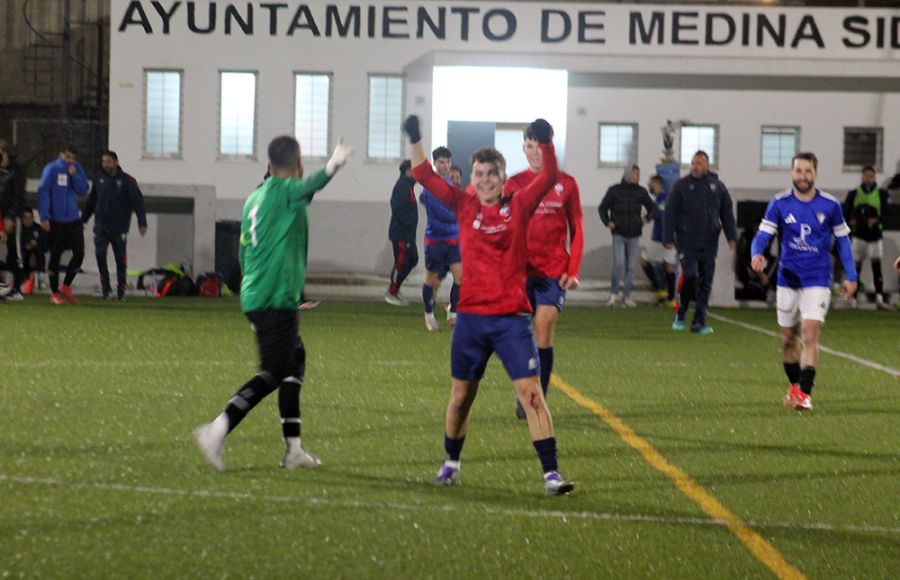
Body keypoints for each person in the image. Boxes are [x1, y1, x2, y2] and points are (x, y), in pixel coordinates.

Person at [404, 114, 574, 496]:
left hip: (512, 322)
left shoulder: (521, 203)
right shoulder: (464, 205)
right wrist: (414, 138)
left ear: (502, 176)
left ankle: (551, 474)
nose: (482, 180)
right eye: (478, 174)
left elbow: (548, 178)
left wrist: (545, 142)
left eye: (490, 174)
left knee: (531, 393)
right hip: (471, 324)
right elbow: (423, 175)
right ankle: (451, 462)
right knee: (461, 398)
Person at [194, 135, 353, 471]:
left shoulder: (255, 197)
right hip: (273, 297)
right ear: (297, 164)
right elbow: (312, 184)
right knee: (275, 370)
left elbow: (242, 252)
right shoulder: (285, 190)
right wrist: (334, 163)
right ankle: (217, 429)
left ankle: (293, 450)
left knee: (294, 360)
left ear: (268, 165)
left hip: (259, 294)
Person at [751, 152, 857, 411]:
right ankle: (795, 387)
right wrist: (757, 253)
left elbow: (843, 241)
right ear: (791, 173)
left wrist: (851, 276)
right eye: (799, 171)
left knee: (810, 335)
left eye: (808, 171)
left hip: (818, 278)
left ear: (815, 174)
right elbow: (762, 235)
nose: (803, 176)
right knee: (788, 339)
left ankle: (805, 395)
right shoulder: (779, 203)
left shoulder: (830, 205)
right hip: (788, 279)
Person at [504, 123, 584, 419]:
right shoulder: (513, 184)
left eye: (539, 146)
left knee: (544, 326)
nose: (534, 152)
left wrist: (573, 269)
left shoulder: (567, 184)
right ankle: (525, 391)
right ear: (523, 149)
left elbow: (577, 229)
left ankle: (539, 397)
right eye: (529, 146)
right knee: (519, 337)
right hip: (520, 273)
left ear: (548, 148)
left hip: (553, 272)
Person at [663, 151, 737, 334]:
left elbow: (726, 213)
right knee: (690, 275)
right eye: (693, 163)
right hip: (687, 241)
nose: (695, 166)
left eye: (699, 163)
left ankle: (699, 322)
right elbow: (669, 213)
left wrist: (731, 237)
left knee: (706, 282)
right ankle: (681, 312)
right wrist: (668, 238)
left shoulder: (718, 187)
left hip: (709, 242)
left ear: (707, 165)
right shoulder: (681, 186)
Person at [81, 150, 148, 300]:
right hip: (101, 226)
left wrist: (141, 222)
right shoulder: (98, 178)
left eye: (109, 162)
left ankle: (121, 290)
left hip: (119, 227)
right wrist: (83, 220)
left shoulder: (127, 180)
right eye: (104, 162)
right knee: (99, 255)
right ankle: (106, 289)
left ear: (116, 162)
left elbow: (138, 202)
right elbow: (92, 201)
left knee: (120, 259)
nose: (106, 165)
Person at [37, 145, 90, 305]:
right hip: (56, 220)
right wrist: (44, 216)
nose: (70, 161)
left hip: (73, 220)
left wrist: (75, 176)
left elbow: (83, 190)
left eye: (73, 158)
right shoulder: (51, 169)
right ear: (61, 154)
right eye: (67, 157)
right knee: (56, 254)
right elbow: (43, 191)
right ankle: (54, 292)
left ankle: (66, 286)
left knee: (79, 253)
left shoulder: (76, 168)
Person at [598, 165, 656, 307]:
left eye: (639, 174)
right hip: (618, 232)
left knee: (630, 266)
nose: (638, 177)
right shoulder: (614, 190)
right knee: (618, 263)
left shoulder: (641, 192)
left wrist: (646, 218)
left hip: (634, 233)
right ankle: (614, 294)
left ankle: (626, 297)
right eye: (635, 174)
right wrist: (607, 222)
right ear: (628, 174)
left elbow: (652, 207)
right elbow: (602, 207)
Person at [419, 146, 462, 331]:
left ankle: (454, 314)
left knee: (460, 277)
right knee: (432, 279)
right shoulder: (431, 187)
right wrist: (462, 213)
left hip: (454, 239)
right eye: (442, 162)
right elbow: (445, 213)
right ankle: (428, 314)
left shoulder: (451, 185)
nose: (445, 165)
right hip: (436, 240)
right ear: (435, 163)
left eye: (448, 162)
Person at [843, 165, 891, 309]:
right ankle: (853, 299)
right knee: (855, 269)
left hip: (875, 236)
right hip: (859, 236)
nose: (869, 178)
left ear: (875, 177)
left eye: (871, 176)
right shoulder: (854, 193)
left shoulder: (882, 194)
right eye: (866, 175)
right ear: (862, 177)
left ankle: (879, 298)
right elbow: (845, 211)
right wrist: (851, 222)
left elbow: (888, 213)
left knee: (876, 267)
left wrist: (877, 220)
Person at [639, 175, 677, 307]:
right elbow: (654, 213)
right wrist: (647, 217)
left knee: (668, 266)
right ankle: (661, 291)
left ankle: (670, 298)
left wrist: (650, 216)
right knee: (645, 262)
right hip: (657, 237)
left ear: (657, 184)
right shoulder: (657, 200)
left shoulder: (666, 198)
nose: (649, 187)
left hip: (667, 238)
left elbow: (662, 214)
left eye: (651, 184)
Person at [385, 160, 419, 306]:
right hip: (401, 233)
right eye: (414, 170)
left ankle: (396, 288)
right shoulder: (402, 186)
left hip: (408, 233)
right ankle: (391, 292)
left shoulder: (409, 186)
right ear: (407, 171)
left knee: (413, 259)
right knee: (401, 262)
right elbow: (397, 208)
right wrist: (408, 224)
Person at [0, 140, 27, 299]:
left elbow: (17, 196)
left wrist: (10, 216)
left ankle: (17, 287)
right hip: (2, 215)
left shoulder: (16, 172)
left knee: (14, 252)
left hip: (10, 216)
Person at [18, 208, 46, 294]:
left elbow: (45, 246)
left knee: (39, 252)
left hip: (35, 257)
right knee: (21, 255)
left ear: (33, 218)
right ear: (22, 219)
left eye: (30, 217)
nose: (28, 220)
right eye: (25, 218)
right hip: (22, 258)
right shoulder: (19, 229)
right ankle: (23, 280)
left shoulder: (38, 229)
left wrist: (34, 248)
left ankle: (41, 280)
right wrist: (27, 246)